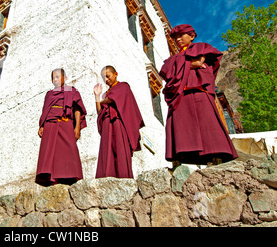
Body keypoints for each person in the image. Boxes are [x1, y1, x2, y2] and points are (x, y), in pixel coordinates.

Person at [159, 24, 238, 168]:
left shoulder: (200, 48)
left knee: (207, 124)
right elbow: (166, 71)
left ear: (192, 36)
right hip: (180, 95)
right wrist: (189, 64)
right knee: (181, 127)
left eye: (181, 36)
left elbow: (200, 62)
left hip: (198, 92)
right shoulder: (174, 58)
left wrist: (181, 66)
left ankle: (216, 157)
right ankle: (179, 159)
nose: (178, 40)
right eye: (175, 37)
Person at [36, 68, 87, 186]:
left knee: (69, 151)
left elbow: (77, 109)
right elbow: (45, 110)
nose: (55, 80)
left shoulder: (71, 90)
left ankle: (72, 179)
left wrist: (77, 128)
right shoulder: (49, 94)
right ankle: (53, 180)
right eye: (53, 78)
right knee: (51, 154)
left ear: (65, 77)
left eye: (57, 77)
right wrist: (42, 126)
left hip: (65, 122)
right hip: (50, 124)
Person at [93, 66, 144, 178]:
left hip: (118, 123)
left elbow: (112, 99)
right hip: (107, 123)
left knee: (120, 149)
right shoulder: (106, 94)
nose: (106, 79)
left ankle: (124, 177)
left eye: (108, 76)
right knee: (107, 151)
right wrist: (97, 96)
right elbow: (100, 112)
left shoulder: (123, 86)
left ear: (115, 74)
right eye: (103, 78)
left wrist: (102, 101)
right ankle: (106, 177)